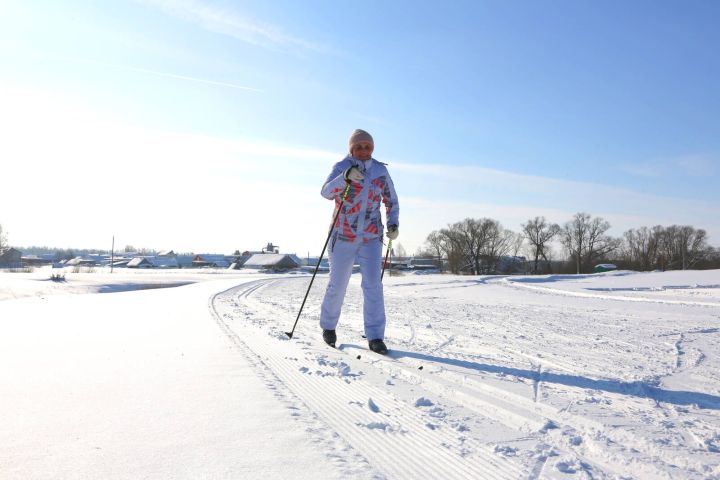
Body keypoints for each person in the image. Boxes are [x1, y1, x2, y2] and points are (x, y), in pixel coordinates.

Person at [319, 129, 399, 354]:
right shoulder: (341, 167)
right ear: (352, 148)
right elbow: (326, 192)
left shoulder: (380, 171)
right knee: (338, 284)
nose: (364, 151)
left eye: (368, 146)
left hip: (371, 237)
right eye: (360, 146)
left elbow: (391, 200)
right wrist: (344, 178)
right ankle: (328, 326)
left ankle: (375, 336)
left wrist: (393, 224)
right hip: (343, 235)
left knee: (373, 286)